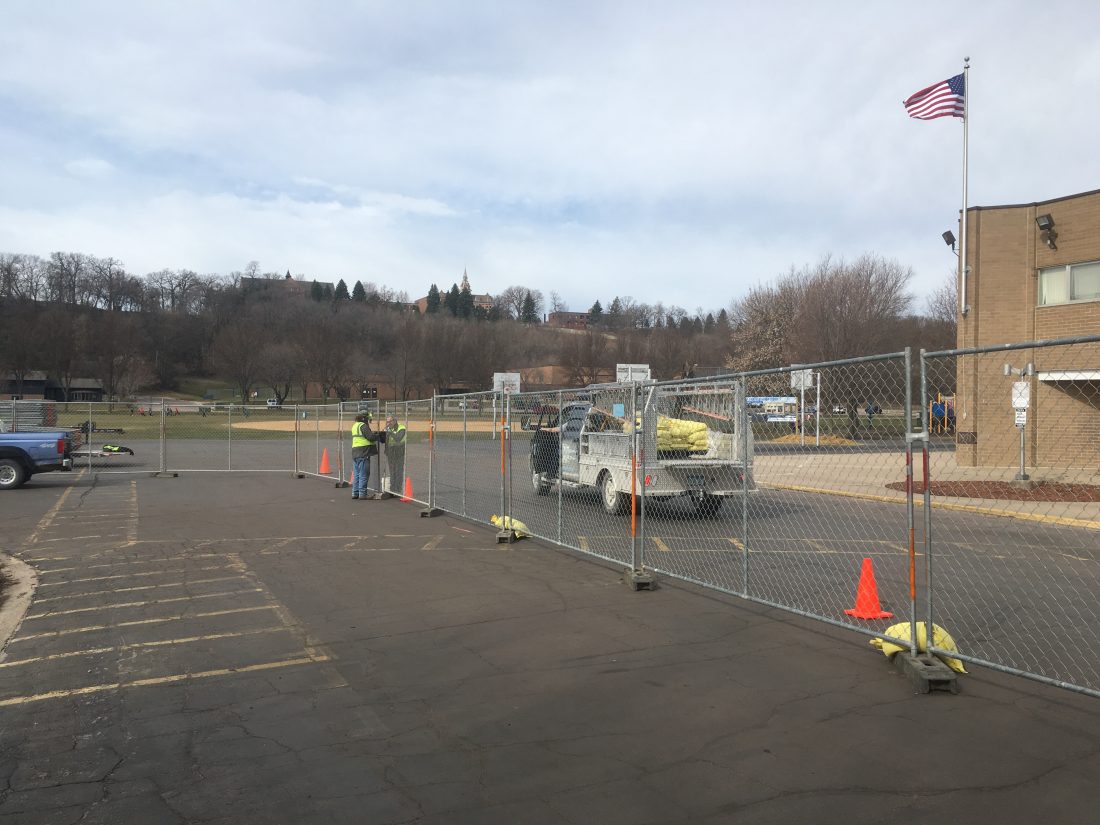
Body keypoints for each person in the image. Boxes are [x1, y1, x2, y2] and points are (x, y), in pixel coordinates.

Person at [350, 412, 377, 500]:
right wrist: (377, 435)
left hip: (355, 452)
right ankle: (362, 494)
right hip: (363, 452)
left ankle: (355, 493)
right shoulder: (363, 426)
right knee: (364, 474)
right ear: (364, 418)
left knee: (357, 474)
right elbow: (370, 437)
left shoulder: (355, 425)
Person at [385, 415, 407, 494]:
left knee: (398, 470)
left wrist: (390, 432)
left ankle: (398, 489)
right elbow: (385, 440)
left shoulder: (401, 428)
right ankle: (392, 488)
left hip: (399, 451)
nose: (388, 423)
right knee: (392, 470)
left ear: (394, 421)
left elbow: (398, 438)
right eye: (387, 422)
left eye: (390, 421)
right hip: (391, 451)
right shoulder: (388, 428)